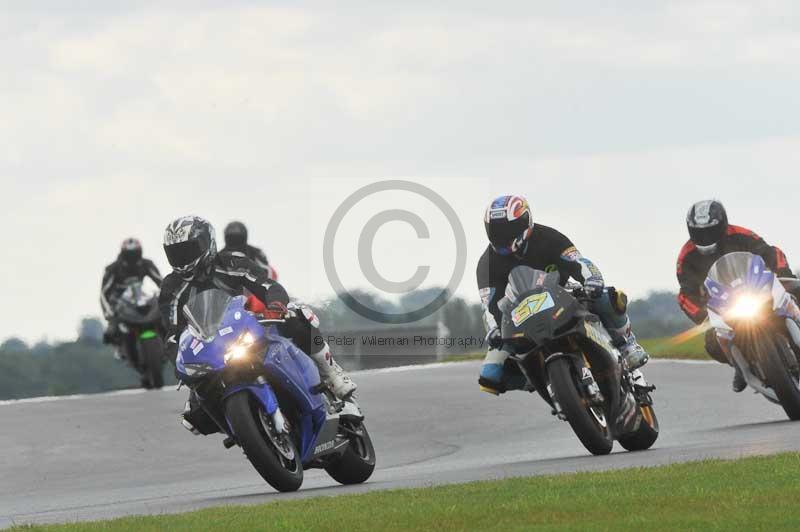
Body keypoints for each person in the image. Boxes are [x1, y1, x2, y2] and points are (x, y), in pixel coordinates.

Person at [158, 216, 355, 433]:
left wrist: (276, 305)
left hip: (247, 325)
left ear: (208, 243)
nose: (183, 258)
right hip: (211, 347)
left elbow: (270, 286)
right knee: (193, 420)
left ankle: (330, 372)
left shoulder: (231, 262)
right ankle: (243, 431)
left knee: (298, 316)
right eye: (176, 253)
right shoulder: (171, 287)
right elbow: (172, 333)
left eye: (188, 250)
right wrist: (179, 360)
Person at [476, 195, 649, 395]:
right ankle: (539, 379)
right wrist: (493, 330)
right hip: (521, 316)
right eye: (496, 231)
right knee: (489, 377)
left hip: (562, 295)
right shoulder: (486, 264)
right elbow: (488, 304)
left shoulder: (548, 237)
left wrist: (592, 279)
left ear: (526, 221)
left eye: (508, 229)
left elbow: (579, 262)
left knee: (606, 296)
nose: (502, 236)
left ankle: (627, 345)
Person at [677, 199, 798, 392]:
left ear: (722, 225)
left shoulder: (741, 235)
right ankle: (741, 365)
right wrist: (702, 314)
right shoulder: (687, 256)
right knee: (712, 341)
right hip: (725, 305)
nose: (705, 236)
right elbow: (686, 293)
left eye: (710, 230)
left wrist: (782, 273)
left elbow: (770, 252)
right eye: (699, 232)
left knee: (796, 290)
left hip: (756, 289)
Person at [100, 238, 163, 350]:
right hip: (118, 301)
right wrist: (108, 312)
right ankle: (118, 348)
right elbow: (104, 293)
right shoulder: (112, 269)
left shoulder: (146, 264)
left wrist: (166, 297)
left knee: (164, 317)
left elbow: (161, 282)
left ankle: (167, 343)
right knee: (110, 333)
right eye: (129, 255)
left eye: (135, 254)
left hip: (139, 297)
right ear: (123, 254)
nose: (132, 258)